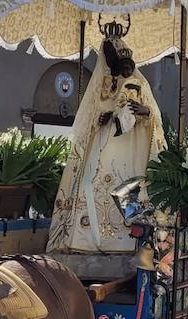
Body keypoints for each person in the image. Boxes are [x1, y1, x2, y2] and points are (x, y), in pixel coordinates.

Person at [49, 36, 164, 253]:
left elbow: (152, 117)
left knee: (127, 185)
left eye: (129, 65)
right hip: (105, 145)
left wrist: (144, 112)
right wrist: (103, 119)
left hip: (131, 147)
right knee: (92, 185)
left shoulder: (138, 85)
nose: (127, 69)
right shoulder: (103, 86)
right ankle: (86, 239)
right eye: (122, 65)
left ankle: (135, 238)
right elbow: (96, 114)